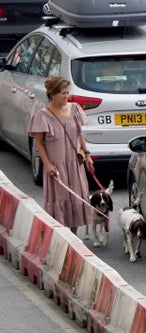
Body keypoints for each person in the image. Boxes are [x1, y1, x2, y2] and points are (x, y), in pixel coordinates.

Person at [28, 76, 92, 235]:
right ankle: (60, 236)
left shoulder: (75, 108)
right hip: (57, 165)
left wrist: (86, 153)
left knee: (76, 197)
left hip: (74, 163)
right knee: (60, 199)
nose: (66, 96)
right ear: (52, 93)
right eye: (63, 93)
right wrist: (47, 164)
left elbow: (79, 134)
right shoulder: (42, 115)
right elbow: (39, 143)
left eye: (67, 93)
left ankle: (74, 236)